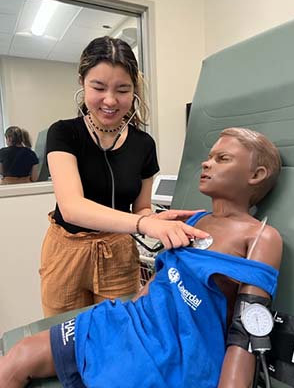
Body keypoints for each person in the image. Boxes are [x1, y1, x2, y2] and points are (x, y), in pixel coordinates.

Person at [0, 127, 283, 387]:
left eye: (222, 158)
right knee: (20, 354)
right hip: (132, 321)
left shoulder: (261, 238)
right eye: (209, 157)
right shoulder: (194, 220)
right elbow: (159, 280)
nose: (206, 163)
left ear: (255, 175)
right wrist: (125, 321)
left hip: (176, 348)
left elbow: (245, 330)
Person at [40, 36, 208, 317]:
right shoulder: (64, 133)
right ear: (82, 82)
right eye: (99, 87)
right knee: (64, 338)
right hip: (66, 252)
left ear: (134, 91)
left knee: (118, 336)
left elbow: (140, 207)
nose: (110, 100)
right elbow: (71, 207)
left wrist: (154, 218)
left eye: (122, 89)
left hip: (118, 252)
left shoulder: (143, 144)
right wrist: (144, 223)